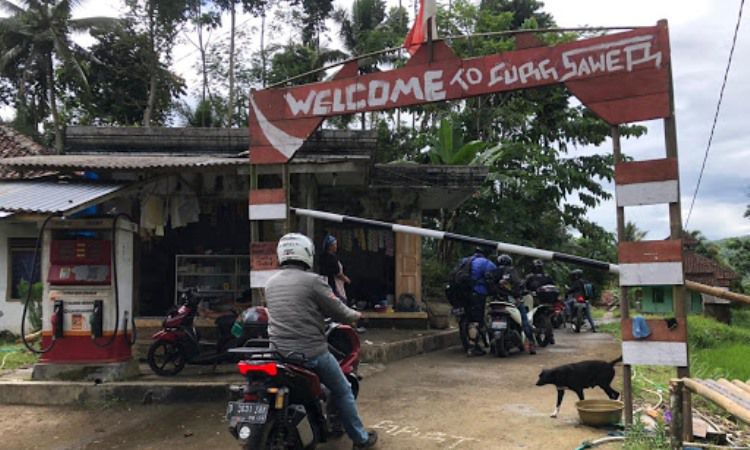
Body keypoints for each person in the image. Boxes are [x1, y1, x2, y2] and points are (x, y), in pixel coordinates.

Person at [265, 233, 378, 449]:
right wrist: (358, 316)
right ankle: (361, 439)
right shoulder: (313, 282)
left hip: (277, 353)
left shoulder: (270, 283)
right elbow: (340, 312)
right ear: (306, 253)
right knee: (343, 389)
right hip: (310, 354)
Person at [492, 254, 536, 355]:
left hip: (495, 301)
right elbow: (518, 284)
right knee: (524, 321)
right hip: (511, 301)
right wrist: (518, 296)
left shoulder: (493, 271)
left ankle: (492, 344)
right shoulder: (511, 271)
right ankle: (531, 343)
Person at [461, 247, 497, 356]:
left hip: (463, 293)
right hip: (478, 293)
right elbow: (495, 276)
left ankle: (469, 343)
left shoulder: (464, 260)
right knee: (475, 321)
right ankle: (472, 348)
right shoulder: (486, 263)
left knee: (468, 317)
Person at [319, 234, 351, 304]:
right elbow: (337, 273)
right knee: (339, 300)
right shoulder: (332, 258)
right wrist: (346, 279)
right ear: (330, 246)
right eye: (335, 244)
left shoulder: (323, 256)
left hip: (324, 282)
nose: (336, 246)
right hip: (333, 282)